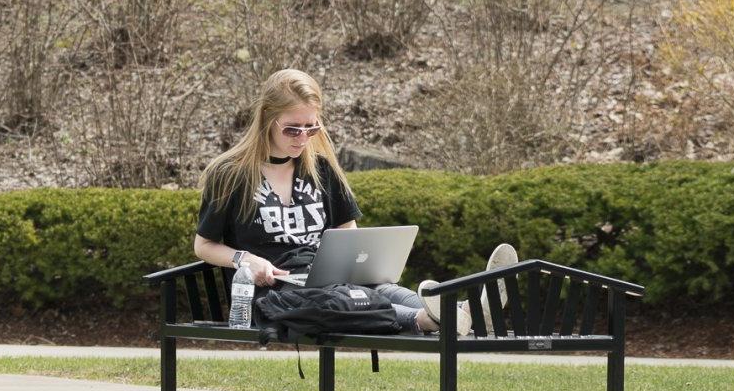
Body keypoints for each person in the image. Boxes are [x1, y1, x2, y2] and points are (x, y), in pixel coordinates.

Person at [194, 68, 513, 333]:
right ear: (266, 119)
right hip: (277, 290)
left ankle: (460, 311)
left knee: (379, 290)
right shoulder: (230, 174)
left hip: (328, 278)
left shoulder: (319, 168)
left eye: (311, 128)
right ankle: (430, 319)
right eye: (293, 130)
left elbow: (348, 229)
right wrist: (244, 260)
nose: (303, 139)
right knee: (332, 300)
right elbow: (204, 245)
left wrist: (355, 262)